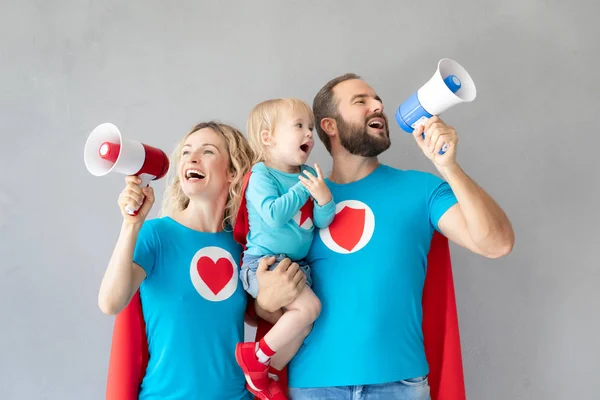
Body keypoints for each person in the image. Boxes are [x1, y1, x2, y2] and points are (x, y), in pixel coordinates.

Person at [282, 74, 515, 399]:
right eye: (360, 101)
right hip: (312, 385)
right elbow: (264, 290)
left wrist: (447, 166)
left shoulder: (421, 189)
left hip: (398, 384)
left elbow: (497, 243)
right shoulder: (298, 197)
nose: (377, 105)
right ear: (330, 126)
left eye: (377, 100)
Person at [97, 121, 306, 400]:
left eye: (207, 151)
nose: (192, 158)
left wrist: (268, 302)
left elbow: (270, 320)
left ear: (232, 173)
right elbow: (110, 303)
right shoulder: (157, 235)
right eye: (185, 152)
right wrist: (131, 225)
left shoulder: (246, 247)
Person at [234, 99, 336, 397]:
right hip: (263, 263)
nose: (309, 134)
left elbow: (322, 221)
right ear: (269, 138)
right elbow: (274, 214)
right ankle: (255, 356)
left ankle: (266, 372)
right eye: (299, 126)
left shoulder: (305, 176)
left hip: (294, 266)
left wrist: (324, 198)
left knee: (303, 325)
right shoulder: (261, 174)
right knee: (311, 308)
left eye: (311, 128)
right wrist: (304, 187)